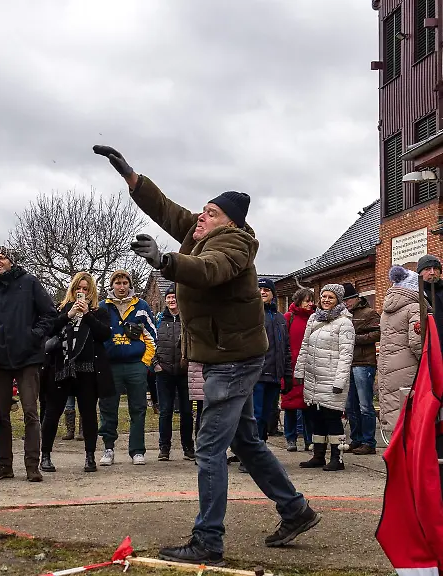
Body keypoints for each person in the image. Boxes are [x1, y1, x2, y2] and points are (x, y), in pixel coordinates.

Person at [94, 144, 319, 564]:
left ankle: (208, 541)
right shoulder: (199, 233)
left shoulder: (233, 245)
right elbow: (166, 209)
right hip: (224, 357)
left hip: (233, 361)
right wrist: (132, 178)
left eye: (210, 213)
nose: (201, 216)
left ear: (228, 223)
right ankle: (296, 509)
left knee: (209, 446)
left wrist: (166, 261)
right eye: (203, 210)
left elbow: (208, 270)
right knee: (247, 441)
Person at [0, 246, 57, 482]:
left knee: (31, 412)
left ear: (12, 261)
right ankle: (5, 465)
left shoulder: (30, 283)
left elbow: (49, 314)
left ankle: (32, 465)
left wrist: (34, 335)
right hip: (0, 361)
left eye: (2, 258)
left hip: (29, 359)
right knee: (1, 414)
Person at [40, 272, 114, 473]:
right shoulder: (63, 308)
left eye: (85, 289)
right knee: (52, 412)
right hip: (61, 368)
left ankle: (90, 457)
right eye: (78, 288)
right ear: (72, 290)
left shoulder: (99, 311)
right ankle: (45, 455)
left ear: (91, 291)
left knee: (89, 413)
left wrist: (88, 314)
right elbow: (50, 330)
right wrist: (68, 315)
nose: (81, 292)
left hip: (88, 370)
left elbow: (105, 334)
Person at [98, 269, 156, 466]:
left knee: (138, 408)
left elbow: (152, 336)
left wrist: (145, 363)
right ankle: (108, 448)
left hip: (135, 366)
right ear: (112, 285)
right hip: (110, 367)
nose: (121, 287)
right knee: (107, 407)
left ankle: (137, 451)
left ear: (130, 285)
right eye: (117, 283)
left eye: (125, 283)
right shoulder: (102, 307)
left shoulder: (141, 306)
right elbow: (96, 338)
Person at [294, 284, 355, 472]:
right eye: (324, 296)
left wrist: (339, 381)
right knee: (316, 417)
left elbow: (346, 355)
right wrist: (299, 372)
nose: (326, 300)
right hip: (314, 378)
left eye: (331, 297)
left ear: (338, 300)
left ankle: (338, 458)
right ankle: (318, 455)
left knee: (332, 418)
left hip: (332, 378)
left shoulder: (345, 323)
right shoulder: (313, 318)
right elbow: (305, 347)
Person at [378, 266, 423, 445]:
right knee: (410, 416)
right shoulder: (414, 307)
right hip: (409, 366)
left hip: (389, 366)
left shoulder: (387, 309)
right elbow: (417, 342)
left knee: (395, 410)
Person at [154, 284, 195, 462]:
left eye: (174, 297)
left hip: (185, 372)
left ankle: (188, 447)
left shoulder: (188, 319)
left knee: (186, 412)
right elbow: (149, 341)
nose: (171, 300)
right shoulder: (158, 319)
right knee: (165, 411)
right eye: (169, 297)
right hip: (163, 372)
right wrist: (155, 364)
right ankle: (164, 448)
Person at [339, 283, 381, 456]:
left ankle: (369, 442)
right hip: (348, 363)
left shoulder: (369, 313)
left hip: (364, 363)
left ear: (357, 297)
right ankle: (356, 439)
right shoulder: (342, 316)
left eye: (349, 299)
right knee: (351, 406)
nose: (346, 303)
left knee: (365, 405)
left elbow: (379, 333)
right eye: (344, 300)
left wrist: (355, 339)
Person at [254, 279, 291, 443]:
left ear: (273, 294)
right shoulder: (252, 315)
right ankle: (248, 453)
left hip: (275, 377)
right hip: (257, 376)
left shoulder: (281, 319)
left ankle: (260, 448)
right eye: (260, 289)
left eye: (266, 289)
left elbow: (286, 348)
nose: (263, 292)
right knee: (255, 416)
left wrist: (287, 374)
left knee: (268, 417)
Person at [282, 288, 315, 452]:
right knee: (290, 405)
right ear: (298, 301)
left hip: (310, 368)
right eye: (307, 300)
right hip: (291, 368)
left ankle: (309, 439)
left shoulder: (315, 318)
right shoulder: (289, 318)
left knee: (308, 406)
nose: (310, 303)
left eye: (311, 300)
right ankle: (291, 438)